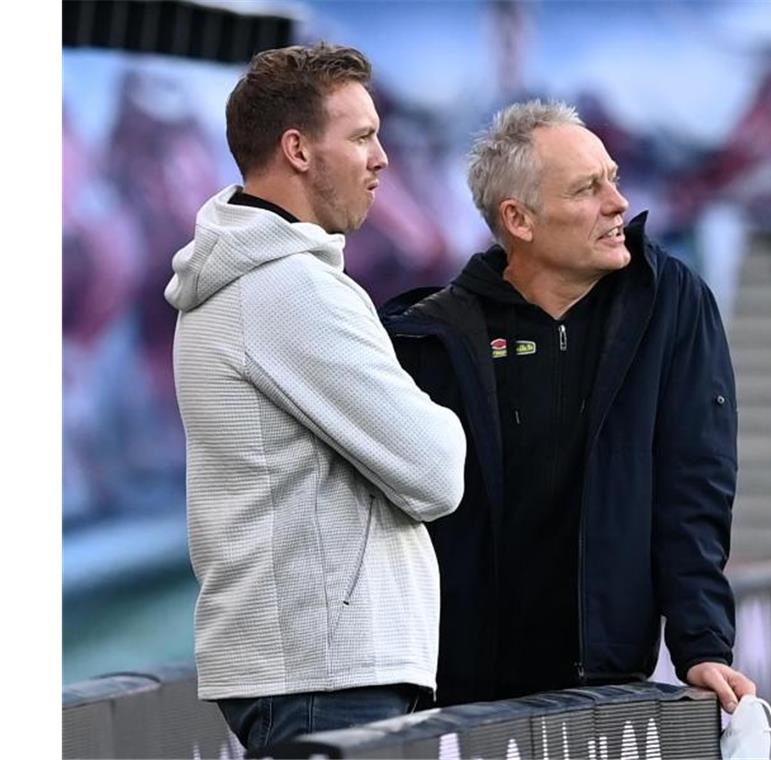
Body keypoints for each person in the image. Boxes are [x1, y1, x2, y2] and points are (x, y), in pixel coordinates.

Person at [381, 100, 756, 711]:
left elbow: (695, 488)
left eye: (612, 178)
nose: (618, 204)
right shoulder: (429, 338)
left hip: (605, 690)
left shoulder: (671, 302)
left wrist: (703, 645)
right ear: (519, 219)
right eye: (587, 189)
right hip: (458, 699)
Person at [164, 43, 466, 752]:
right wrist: (446, 419)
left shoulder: (267, 280)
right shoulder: (288, 290)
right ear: (297, 149)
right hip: (325, 679)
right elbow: (436, 471)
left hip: (317, 673)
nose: (382, 158)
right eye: (361, 136)